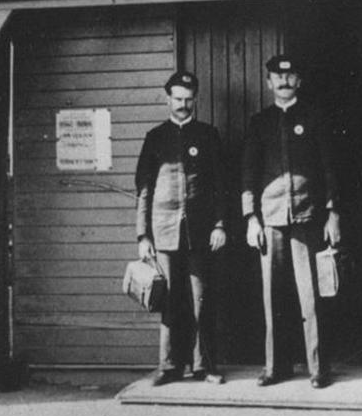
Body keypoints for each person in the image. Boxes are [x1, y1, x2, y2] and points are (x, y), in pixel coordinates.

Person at [241, 55, 341, 388]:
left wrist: (333, 212)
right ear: (269, 82)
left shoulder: (314, 117)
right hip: (270, 220)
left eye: (289, 76)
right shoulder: (259, 123)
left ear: (298, 81)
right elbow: (248, 175)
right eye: (277, 77)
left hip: (307, 217)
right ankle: (276, 367)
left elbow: (330, 167)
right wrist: (251, 217)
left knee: (310, 296)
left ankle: (318, 369)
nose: (283, 82)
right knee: (274, 298)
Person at [134, 71, 228, 385]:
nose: (183, 104)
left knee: (202, 301)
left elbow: (219, 186)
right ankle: (169, 367)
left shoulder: (208, 135)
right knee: (169, 301)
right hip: (163, 232)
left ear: (195, 99)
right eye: (178, 99)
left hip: (200, 233)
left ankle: (205, 367)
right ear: (167, 99)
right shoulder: (155, 137)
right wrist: (143, 235)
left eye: (188, 99)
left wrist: (219, 225)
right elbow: (144, 190)